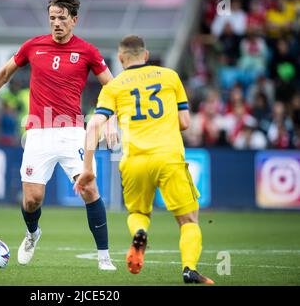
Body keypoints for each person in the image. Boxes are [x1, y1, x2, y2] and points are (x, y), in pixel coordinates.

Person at [0, 0, 118, 270]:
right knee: (32, 200)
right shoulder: (34, 46)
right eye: (52, 18)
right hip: (38, 132)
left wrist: (113, 119)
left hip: (72, 131)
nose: (56, 23)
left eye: (61, 18)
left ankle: (104, 257)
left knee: (90, 189)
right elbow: (4, 73)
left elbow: (113, 87)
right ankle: (33, 234)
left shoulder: (88, 51)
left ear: (74, 20)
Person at [74, 35, 215, 284]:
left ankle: (140, 232)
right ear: (146, 55)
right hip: (168, 157)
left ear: (120, 59)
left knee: (138, 212)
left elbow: (95, 125)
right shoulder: (170, 76)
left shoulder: (114, 87)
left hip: (134, 160)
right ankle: (189, 269)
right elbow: (185, 122)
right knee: (189, 220)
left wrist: (87, 169)